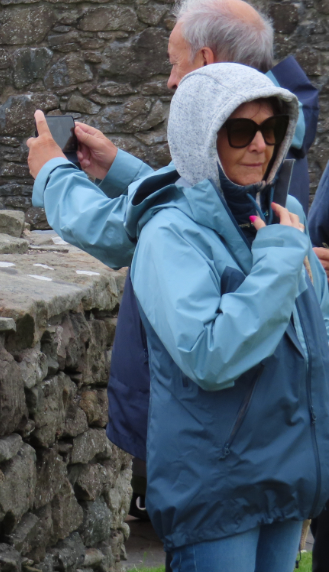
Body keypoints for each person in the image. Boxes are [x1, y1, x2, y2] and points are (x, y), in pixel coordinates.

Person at [112, 62, 329, 570]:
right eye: (240, 130)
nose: (260, 145)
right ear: (201, 137)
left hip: (283, 474)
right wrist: (281, 258)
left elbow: (310, 340)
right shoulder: (171, 232)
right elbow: (210, 354)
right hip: (216, 490)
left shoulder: (276, 213)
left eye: (271, 129)